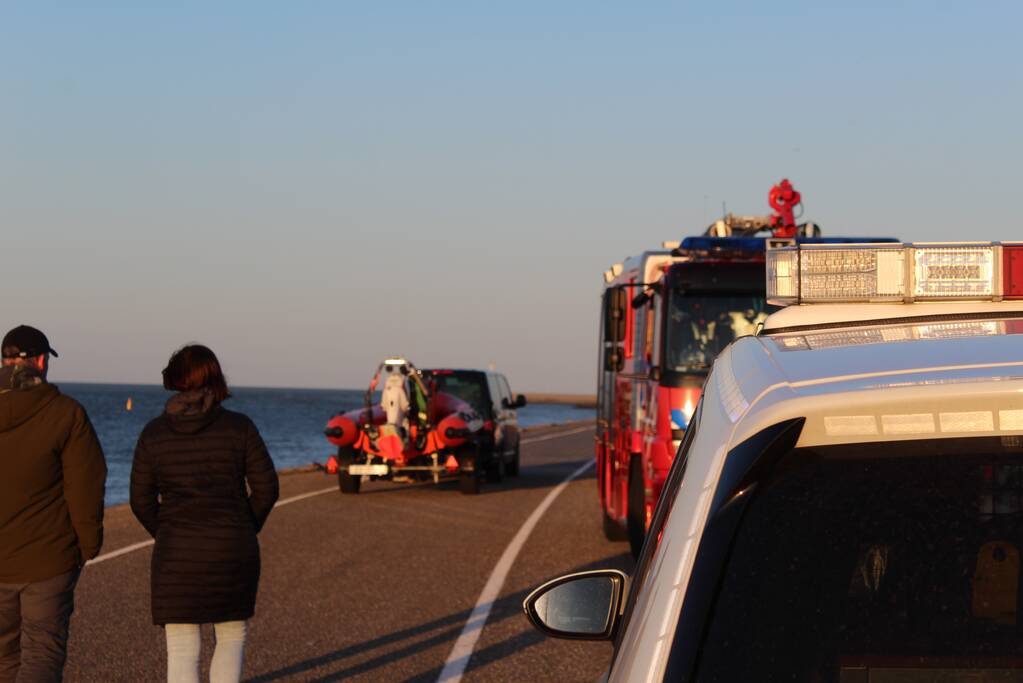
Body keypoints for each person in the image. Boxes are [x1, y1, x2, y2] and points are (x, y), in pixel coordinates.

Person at [130, 344, 279, 683]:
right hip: (232, 549)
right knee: (231, 637)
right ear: (215, 376)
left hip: (176, 555)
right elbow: (267, 488)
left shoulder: (154, 433)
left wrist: (167, 533)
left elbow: (140, 499)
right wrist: (243, 527)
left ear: (176, 380)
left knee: (182, 648)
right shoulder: (240, 427)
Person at [0, 325, 106, 682]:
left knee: (3, 656)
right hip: (49, 559)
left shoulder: (65, 413)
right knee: (42, 652)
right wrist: (87, 545)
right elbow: (86, 484)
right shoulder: (66, 413)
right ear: (41, 361)